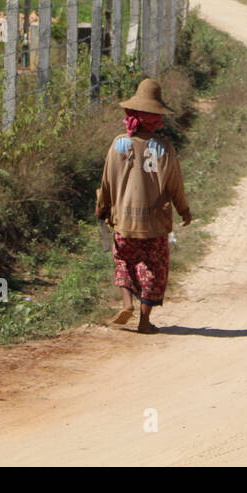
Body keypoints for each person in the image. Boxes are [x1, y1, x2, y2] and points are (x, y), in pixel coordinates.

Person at [95, 78, 192, 334]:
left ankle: (126, 302)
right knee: (153, 269)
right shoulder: (164, 148)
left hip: (123, 221)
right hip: (155, 225)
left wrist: (102, 207)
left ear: (132, 115)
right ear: (157, 118)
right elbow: (175, 185)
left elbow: (106, 181)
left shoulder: (118, 145)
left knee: (124, 261)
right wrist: (184, 209)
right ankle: (144, 321)